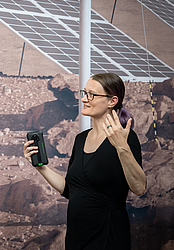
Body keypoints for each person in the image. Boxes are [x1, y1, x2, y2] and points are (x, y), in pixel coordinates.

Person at [24, 73, 146, 250]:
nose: (84, 99)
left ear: (112, 101)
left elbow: (139, 187)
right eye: (84, 93)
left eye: (92, 95)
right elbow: (71, 190)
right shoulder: (80, 139)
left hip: (107, 236)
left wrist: (122, 148)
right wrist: (40, 167)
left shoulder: (126, 139)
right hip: (77, 237)